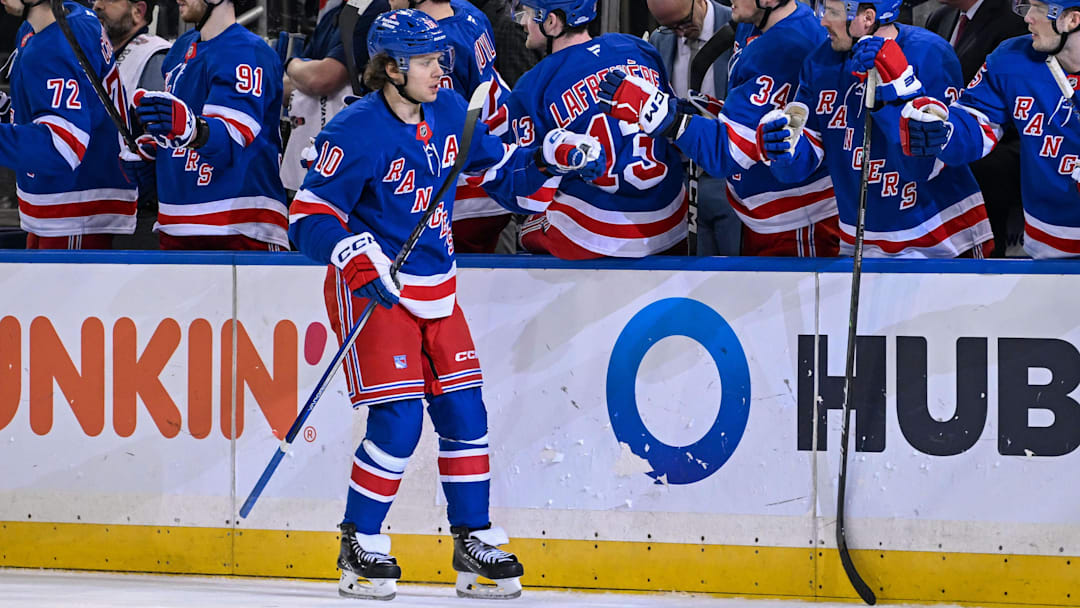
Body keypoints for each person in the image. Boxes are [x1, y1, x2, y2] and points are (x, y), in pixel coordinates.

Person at [287, 9, 601, 600]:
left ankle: (472, 539)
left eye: (440, 60)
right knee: (399, 422)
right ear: (391, 67)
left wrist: (548, 160)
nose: (441, 70)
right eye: (428, 62)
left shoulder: (453, 110)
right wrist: (354, 253)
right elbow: (307, 215)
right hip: (373, 288)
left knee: (465, 416)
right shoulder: (354, 130)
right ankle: (360, 543)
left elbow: (503, 178)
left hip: (438, 285)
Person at [602, 0, 840, 257]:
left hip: (797, 221)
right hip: (766, 215)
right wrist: (700, 112)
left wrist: (664, 116)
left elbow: (727, 152)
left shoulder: (787, 47)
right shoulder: (753, 24)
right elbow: (748, 117)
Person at [507, 0, 689, 258]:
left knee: (525, 228)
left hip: (594, 233)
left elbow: (521, 185)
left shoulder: (533, 85)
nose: (523, 23)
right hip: (672, 219)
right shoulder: (638, 48)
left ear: (551, 22)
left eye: (527, 15)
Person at [901, 0, 1080, 258]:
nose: (1028, 17)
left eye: (1039, 8)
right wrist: (942, 129)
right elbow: (977, 122)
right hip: (1045, 246)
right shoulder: (1011, 58)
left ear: (1072, 20)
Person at [131, 0, 288, 250]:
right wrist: (157, 148)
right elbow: (181, 130)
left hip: (240, 222)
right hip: (175, 220)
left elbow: (233, 138)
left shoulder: (248, 51)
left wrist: (191, 129)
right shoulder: (180, 49)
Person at [4, 0, 136, 249]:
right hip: (62, 200)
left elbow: (62, 145)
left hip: (74, 203)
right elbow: (73, 104)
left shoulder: (53, 46)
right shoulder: (75, 17)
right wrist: (10, 111)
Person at [393, 0, 514, 253]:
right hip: (496, 163)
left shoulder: (432, 46)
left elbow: (438, 131)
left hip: (468, 187)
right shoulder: (469, 12)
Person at [924, 0, 1029, 256]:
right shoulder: (940, 18)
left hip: (996, 160)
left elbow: (1017, 123)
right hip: (949, 143)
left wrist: (958, 154)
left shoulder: (1016, 22)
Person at [646, 0, 742, 256]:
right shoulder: (660, 39)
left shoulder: (739, 26)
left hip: (729, 177)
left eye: (684, 22)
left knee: (736, 276)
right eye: (670, 27)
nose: (679, 32)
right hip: (683, 180)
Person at [279, 0, 389, 191]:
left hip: (359, 151)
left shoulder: (375, 8)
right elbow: (293, 86)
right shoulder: (335, 14)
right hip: (320, 151)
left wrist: (290, 64)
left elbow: (321, 79)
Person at [93, 0, 171, 249]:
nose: (97, 6)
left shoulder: (153, 54)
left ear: (138, 11)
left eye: (109, 0)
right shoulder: (96, 54)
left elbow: (161, 136)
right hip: (99, 205)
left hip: (138, 215)